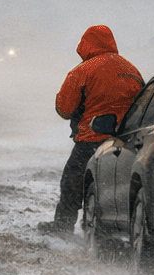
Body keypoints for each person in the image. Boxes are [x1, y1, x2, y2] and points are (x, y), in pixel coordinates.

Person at [38, 25, 145, 235]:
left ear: (85, 45)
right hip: (127, 142)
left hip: (92, 139)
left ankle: (63, 226)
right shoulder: (132, 70)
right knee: (118, 186)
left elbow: (64, 109)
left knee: (72, 181)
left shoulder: (83, 70)